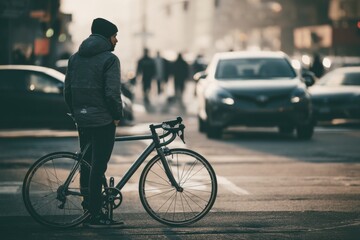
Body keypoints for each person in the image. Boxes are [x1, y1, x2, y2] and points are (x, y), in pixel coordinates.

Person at [64, 18, 123, 228]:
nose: (116, 40)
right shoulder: (110, 59)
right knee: (98, 165)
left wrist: (75, 113)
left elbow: (68, 91)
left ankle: (88, 208)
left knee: (86, 164)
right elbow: (112, 93)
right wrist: (117, 115)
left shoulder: (75, 58)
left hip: (82, 119)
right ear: (107, 37)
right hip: (103, 120)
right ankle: (97, 215)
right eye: (115, 36)